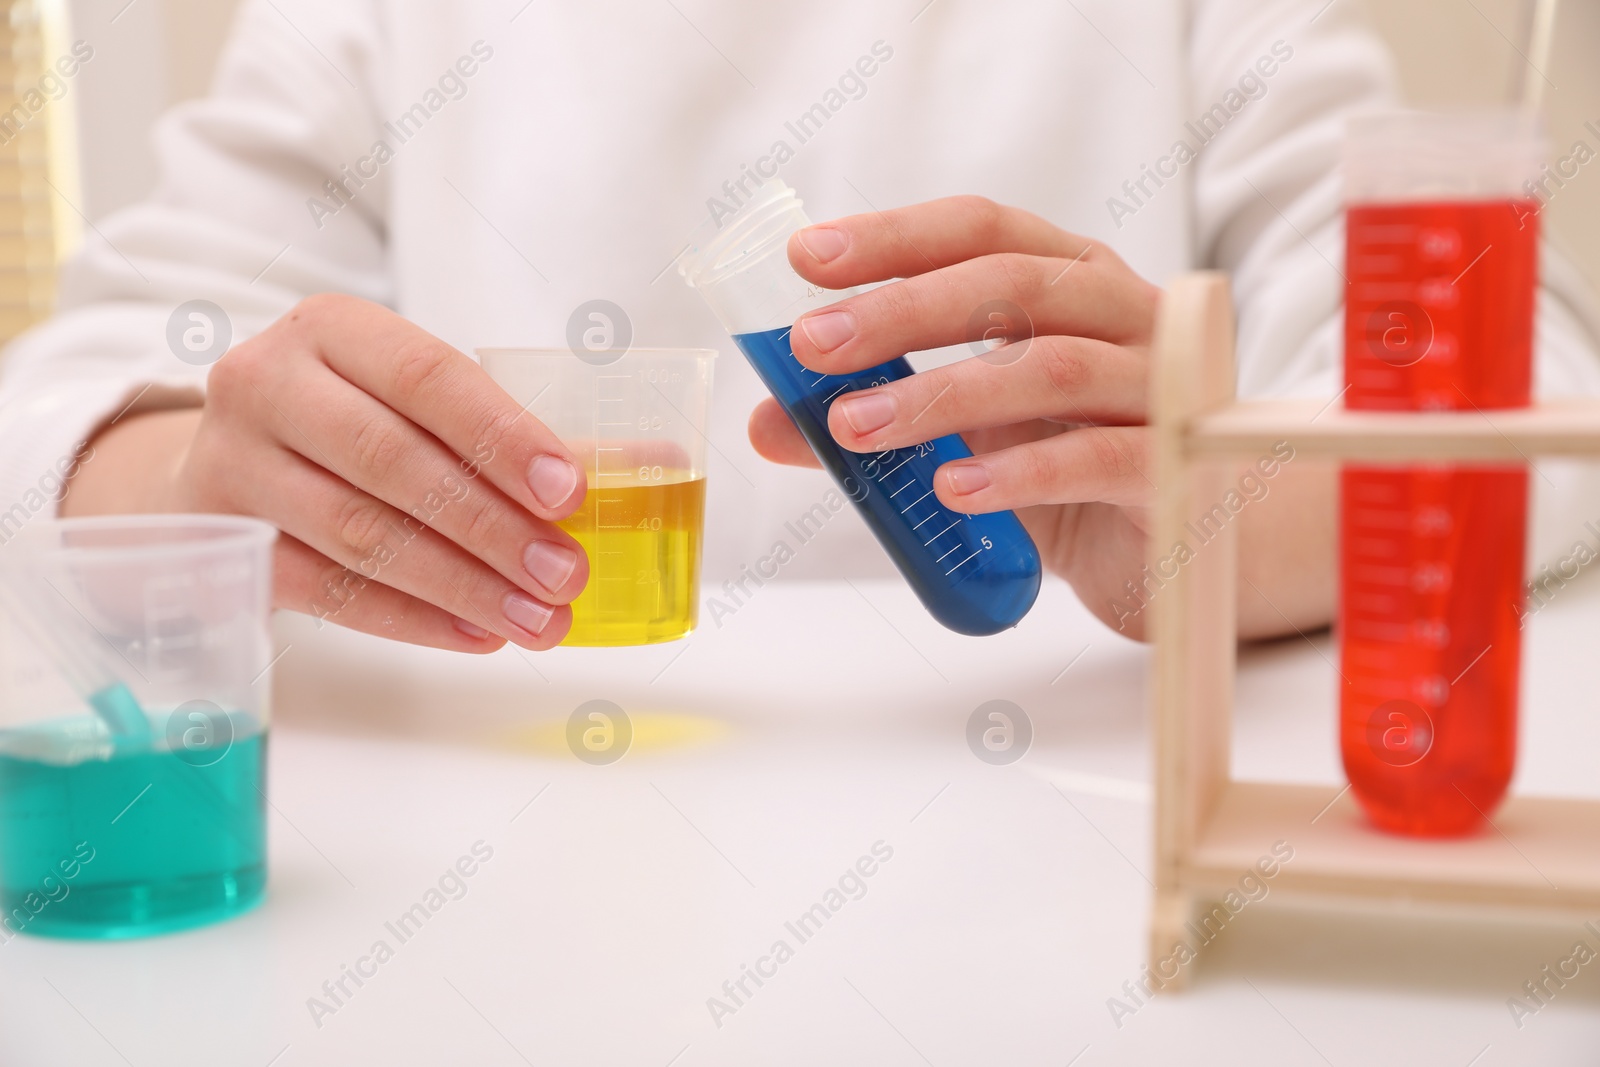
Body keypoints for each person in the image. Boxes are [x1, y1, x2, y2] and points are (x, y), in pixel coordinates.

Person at [2, 0, 1596, 651]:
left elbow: (1532, 410)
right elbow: (64, 408)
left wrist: (1215, 524)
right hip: (529, 874)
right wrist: (213, 476)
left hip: (1072, 861)